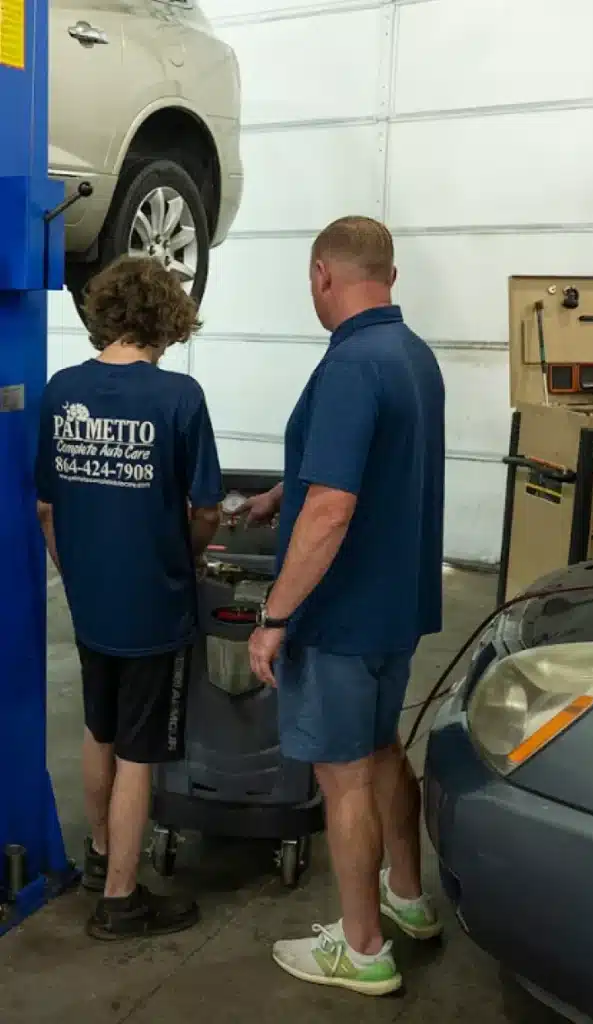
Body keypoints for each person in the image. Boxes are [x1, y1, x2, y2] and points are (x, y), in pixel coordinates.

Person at [243, 215, 445, 995]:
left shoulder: (348, 366)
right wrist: (276, 494)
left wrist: (276, 616)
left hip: (339, 616)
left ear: (322, 274)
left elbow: (331, 508)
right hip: (396, 606)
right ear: (387, 275)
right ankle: (406, 898)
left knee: (343, 779)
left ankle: (361, 950)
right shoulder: (411, 356)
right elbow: (365, 469)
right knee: (383, 749)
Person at [35, 256, 224, 940]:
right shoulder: (178, 399)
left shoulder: (60, 390)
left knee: (100, 729)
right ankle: (119, 899)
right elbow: (206, 508)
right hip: (154, 604)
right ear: (168, 319)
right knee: (141, 752)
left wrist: (76, 569)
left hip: (91, 603)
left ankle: (98, 856)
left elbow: (48, 507)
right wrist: (185, 555)